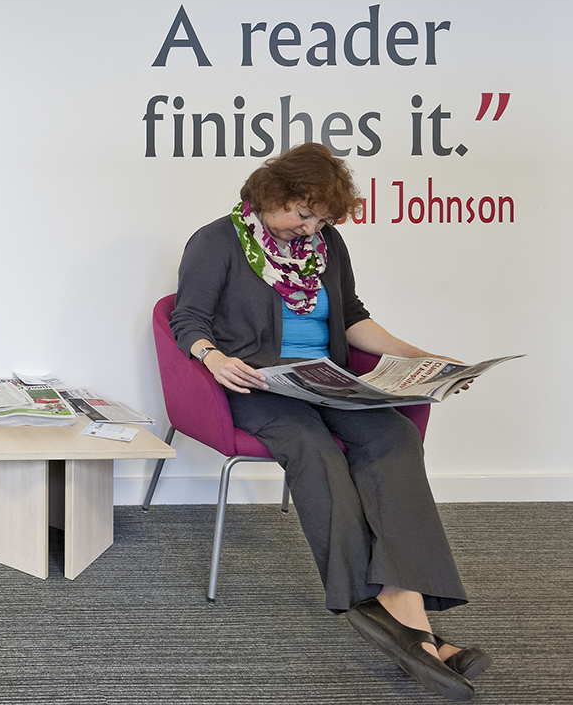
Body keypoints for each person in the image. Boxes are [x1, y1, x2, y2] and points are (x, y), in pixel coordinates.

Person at [170, 143, 488, 702]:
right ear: (271, 194)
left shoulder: (326, 245)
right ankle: (407, 621)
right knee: (313, 448)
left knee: (394, 436)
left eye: (320, 219)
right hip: (259, 384)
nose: (311, 228)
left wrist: (420, 358)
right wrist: (213, 358)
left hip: (328, 379)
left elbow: (352, 316)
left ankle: (400, 615)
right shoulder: (217, 240)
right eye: (302, 213)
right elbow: (187, 318)